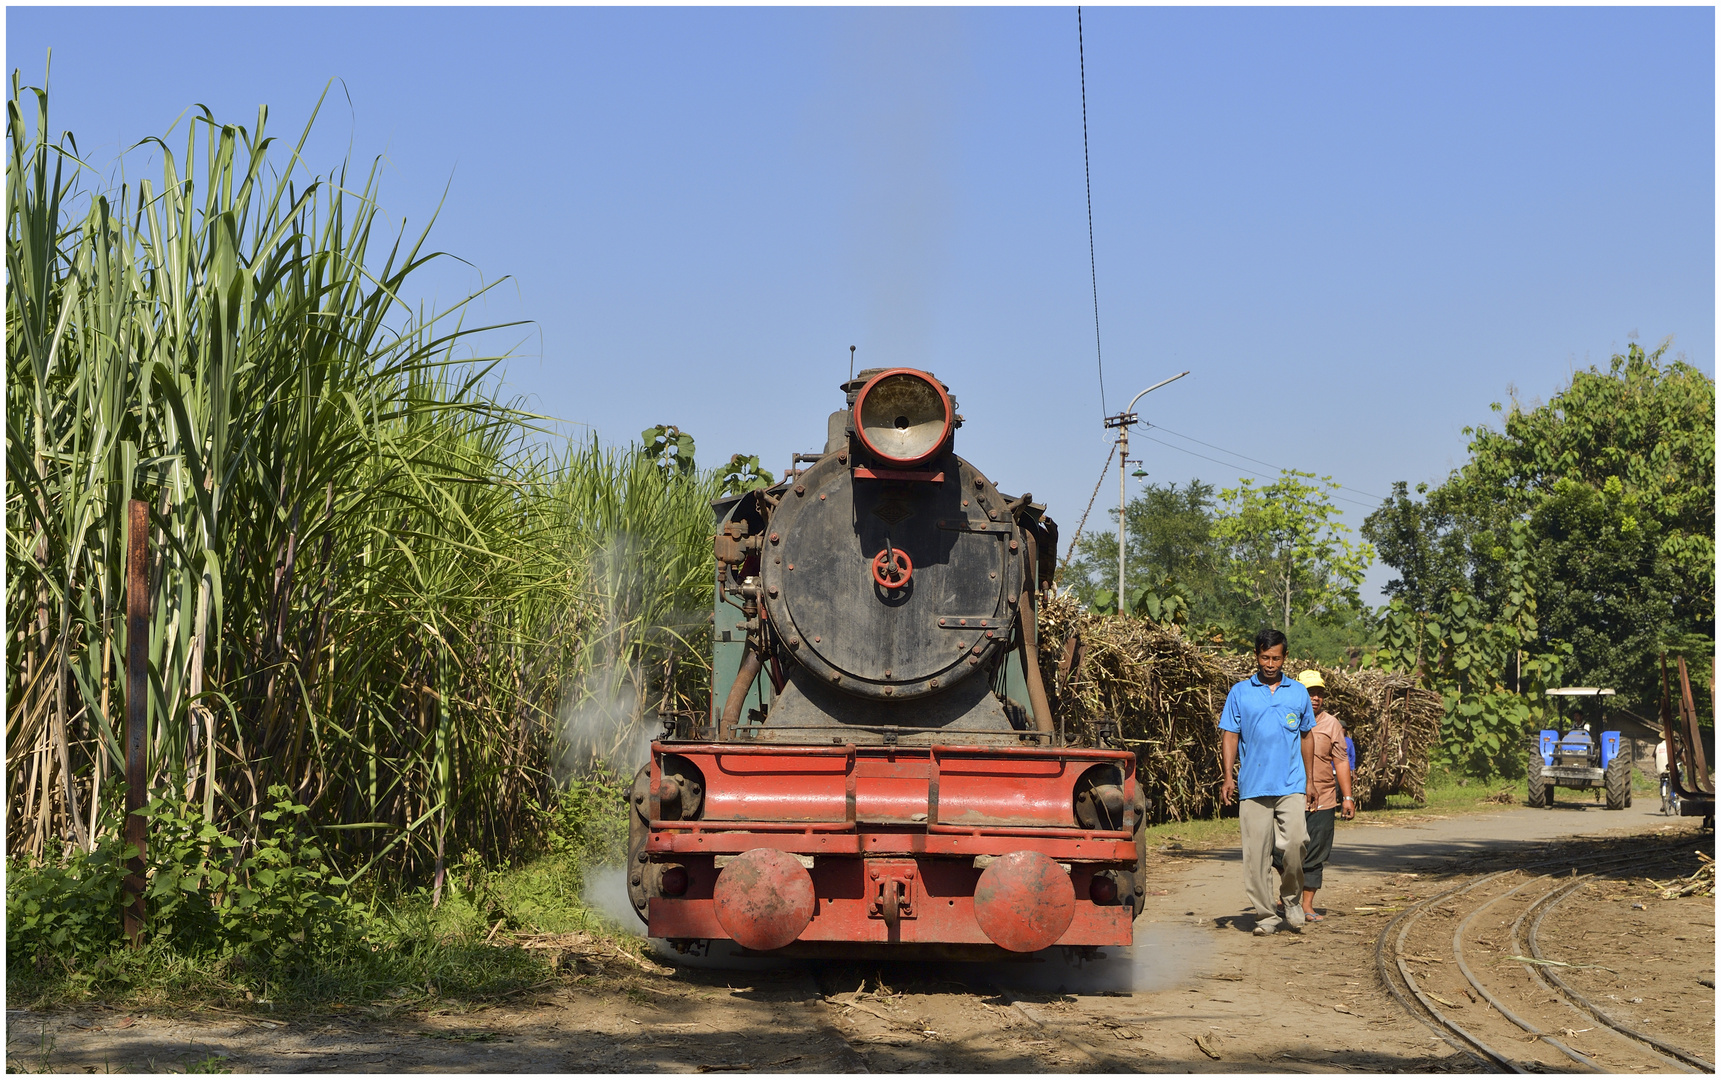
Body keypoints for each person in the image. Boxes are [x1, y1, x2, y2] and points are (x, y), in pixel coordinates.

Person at [1220, 629, 1315, 936]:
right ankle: (1266, 917)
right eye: (1264, 657)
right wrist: (1227, 776)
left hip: (1291, 784)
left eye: (1275, 658)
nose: (1270, 664)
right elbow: (1230, 735)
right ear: (1256, 656)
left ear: (1285, 658)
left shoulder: (1298, 692)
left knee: (1297, 844)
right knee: (1255, 857)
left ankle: (1291, 899)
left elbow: (1307, 736)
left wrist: (1310, 781)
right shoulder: (1240, 692)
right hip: (1253, 786)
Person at [1272, 670, 1354, 922]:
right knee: (1280, 851)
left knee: (1316, 852)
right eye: (1310, 693)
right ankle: (1288, 895)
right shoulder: (1284, 718)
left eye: (1319, 693)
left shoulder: (1332, 725)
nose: (1315, 698)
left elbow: (1341, 762)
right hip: (1287, 796)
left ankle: (1306, 905)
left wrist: (1347, 797)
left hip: (1324, 799)